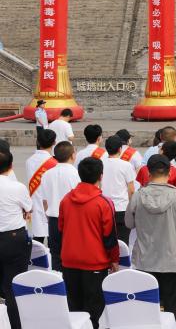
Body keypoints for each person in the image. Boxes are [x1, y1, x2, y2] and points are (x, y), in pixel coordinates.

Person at [125, 154, 176, 327]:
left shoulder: (138, 196)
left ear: (148, 173)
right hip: (174, 262)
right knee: (173, 310)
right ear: (170, 172)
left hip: (145, 261)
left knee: (148, 311)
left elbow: (129, 223)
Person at [57, 157, 118, 328]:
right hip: (95, 263)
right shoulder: (103, 202)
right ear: (101, 175)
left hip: (69, 261)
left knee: (74, 309)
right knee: (94, 310)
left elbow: (60, 229)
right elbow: (110, 236)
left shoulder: (66, 200)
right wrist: (114, 260)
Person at [0, 149, 32, 329]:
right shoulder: (17, 187)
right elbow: (28, 207)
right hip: (13, 239)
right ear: (11, 166)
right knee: (14, 286)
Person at [39, 141, 79, 271]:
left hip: (53, 220)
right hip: (71, 220)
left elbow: (45, 201)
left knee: (55, 255)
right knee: (72, 255)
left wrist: (49, 217)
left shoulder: (47, 174)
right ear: (72, 155)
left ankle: (58, 279)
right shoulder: (75, 174)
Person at [100, 136, 135, 243]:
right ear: (120, 149)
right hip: (122, 208)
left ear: (106, 148)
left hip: (104, 207)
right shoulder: (126, 165)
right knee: (123, 242)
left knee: (106, 242)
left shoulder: (100, 163)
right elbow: (131, 190)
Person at [25, 129, 57, 244]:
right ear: (54, 142)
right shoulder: (54, 163)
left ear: (38, 142)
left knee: (37, 241)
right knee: (53, 243)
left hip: (35, 203)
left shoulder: (29, 161)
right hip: (51, 204)